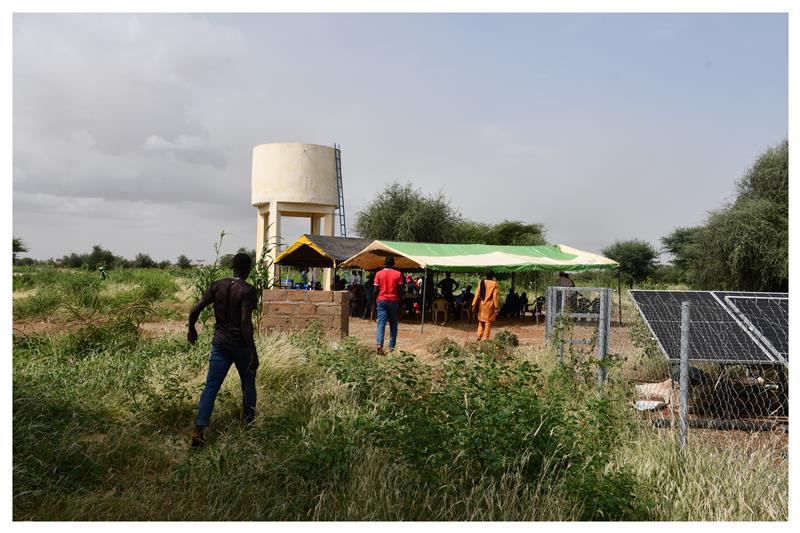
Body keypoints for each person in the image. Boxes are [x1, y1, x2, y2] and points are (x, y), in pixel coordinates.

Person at [187, 253, 258, 448]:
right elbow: (245, 322)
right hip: (240, 346)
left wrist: (191, 328)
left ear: (232, 267)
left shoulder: (217, 285)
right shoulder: (248, 290)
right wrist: (253, 352)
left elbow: (195, 310)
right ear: (248, 268)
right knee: (248, 384)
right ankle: (249, 425)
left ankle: (199, 430)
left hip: (220, 344)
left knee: (211, 386)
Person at [373, 255, 403, 354]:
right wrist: (400, 303)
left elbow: (375, 290)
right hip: (394, 301)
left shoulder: (378, 274)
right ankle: (391, 347)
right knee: (393, 324)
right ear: (393, 264)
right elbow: (400, 291)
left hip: (381, 301)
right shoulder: (398, 274)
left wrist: (374, 302)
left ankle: (379, 344)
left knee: (381, 323)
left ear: (385, 263)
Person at [472, 271, 499, 341]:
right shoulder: (494, 284)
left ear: (485, 276)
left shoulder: (481, 282)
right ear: (492, 277)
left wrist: (474, 304)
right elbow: (495, 296)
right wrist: (496, 307)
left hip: (482, 305)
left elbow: (477, 294)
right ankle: (486, 338)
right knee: (488, 322)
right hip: (489, 306)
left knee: (481, 321)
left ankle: (479, 335)